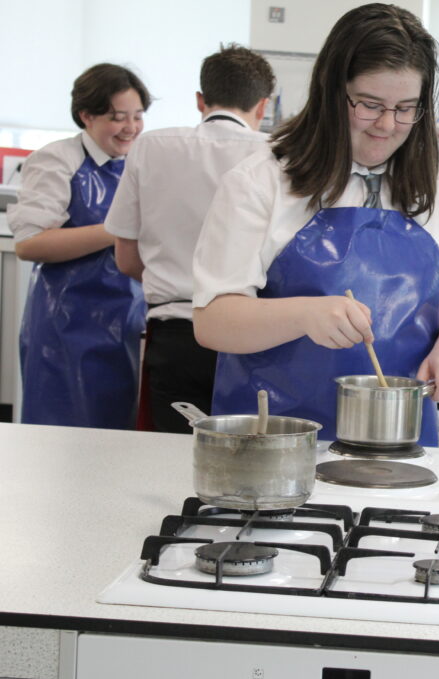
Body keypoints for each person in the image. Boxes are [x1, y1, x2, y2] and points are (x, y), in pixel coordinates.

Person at [191, 3, 439, 443]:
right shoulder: (261, 183)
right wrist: (304, 314)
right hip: (277, 444)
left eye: (406, 108)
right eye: (370, 105)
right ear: (334, 92)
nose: (388, 125)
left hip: (400, 445)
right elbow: (213, 321)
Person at [105, 45, 276, 433]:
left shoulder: (150, 147)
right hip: (250, 336)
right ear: (262, 106)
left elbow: (127, 260)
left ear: (201, 99)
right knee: (246, 462)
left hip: (173, 332)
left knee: (167, 459)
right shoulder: (277, 154)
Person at [10, 64, 151, 428]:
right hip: (66, 324)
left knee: (118, 437)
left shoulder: (138, 161)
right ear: (86, 115)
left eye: (137, 116)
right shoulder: (58, 160)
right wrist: (116, 230)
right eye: (118, 117)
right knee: (63, 439)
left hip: (126, 319)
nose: (131, 128)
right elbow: (29, 243)